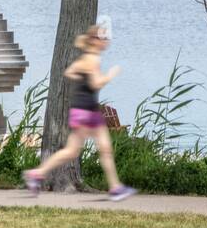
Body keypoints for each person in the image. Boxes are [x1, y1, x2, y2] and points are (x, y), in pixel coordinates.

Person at [25, 25, 136, 201]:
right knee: (88, 150)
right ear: (94, 41)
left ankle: (37, 173)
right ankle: (115, 188)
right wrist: (111, 75)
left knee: (83, 150)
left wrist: (80, 79)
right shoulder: (91, 59)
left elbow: (69, 71)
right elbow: (96, 84)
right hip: (87, 112)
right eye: (103, 38)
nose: (106, 41)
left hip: (84, 110)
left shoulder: (86, 58)